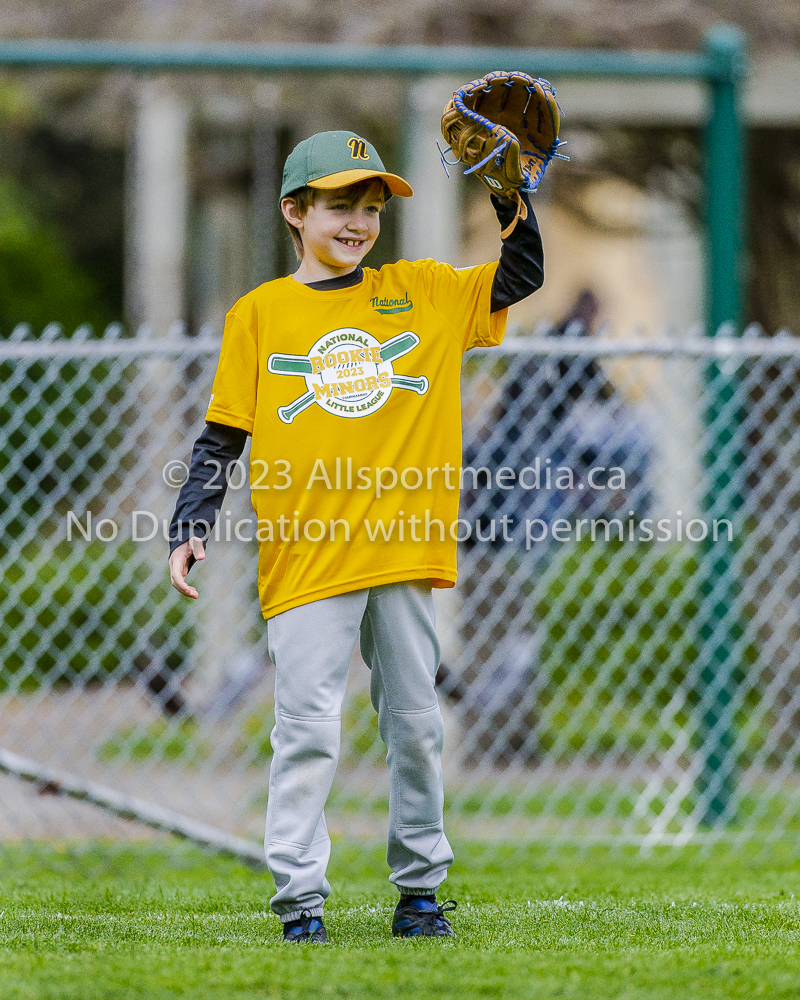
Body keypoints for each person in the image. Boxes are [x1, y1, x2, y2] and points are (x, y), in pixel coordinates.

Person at [167, 130, 544, 942]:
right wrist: (190, 525)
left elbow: (521, 274)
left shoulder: (425, 292)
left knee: (415, 725)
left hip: (404, 552)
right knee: (306, 731)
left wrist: (511, 196)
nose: (359, 222)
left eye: (371, 208)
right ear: (294, 212)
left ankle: (420, 893)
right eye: (340, 205)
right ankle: (301, 901)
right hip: (307, 558)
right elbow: (223, 436)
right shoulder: (260, 313)